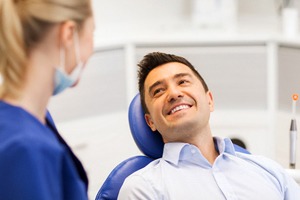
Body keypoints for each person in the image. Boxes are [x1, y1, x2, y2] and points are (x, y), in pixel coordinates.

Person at [118, 52, 300, 199]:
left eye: (182, 82)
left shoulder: (268, 170)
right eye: (158, 91)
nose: (173, 93)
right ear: (151, 122)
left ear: (209, 100)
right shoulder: (142, 188)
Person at [0, 0, 94, 199]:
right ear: (68, 34)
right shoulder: (25, 147)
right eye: (92, 32)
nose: (91, 49)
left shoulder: (33, 122)